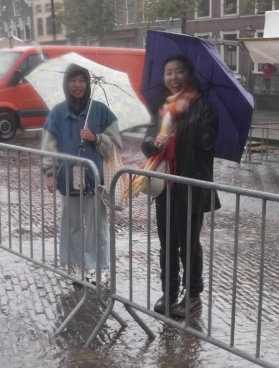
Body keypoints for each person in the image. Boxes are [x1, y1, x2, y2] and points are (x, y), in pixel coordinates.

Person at [142, 55, 220, 318]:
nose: (173, 78)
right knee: (167, 242)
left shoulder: (202, 106)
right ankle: (169, 291)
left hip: (191, 185)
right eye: (168, 72)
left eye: (179, 72)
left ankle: (193, 295)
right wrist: (155, 142)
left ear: (189, 74)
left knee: (188, 242)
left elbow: (207, 142)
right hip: (166, 186)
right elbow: (146, 141)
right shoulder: (161, 108)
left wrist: (185, 118)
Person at [41, 63, 122, 284]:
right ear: (66, 83)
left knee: (97, 225)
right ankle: (75, 265)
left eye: (82, 80)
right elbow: (49, 145)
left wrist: (96, 138)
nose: (78, 85)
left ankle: (98, 267)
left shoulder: (100, 110)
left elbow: (116, 141)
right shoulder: (58, 112)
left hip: (95, 179)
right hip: (68, 178)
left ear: (87, 83)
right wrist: (49, 173)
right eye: (73, 80)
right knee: (72, 223)